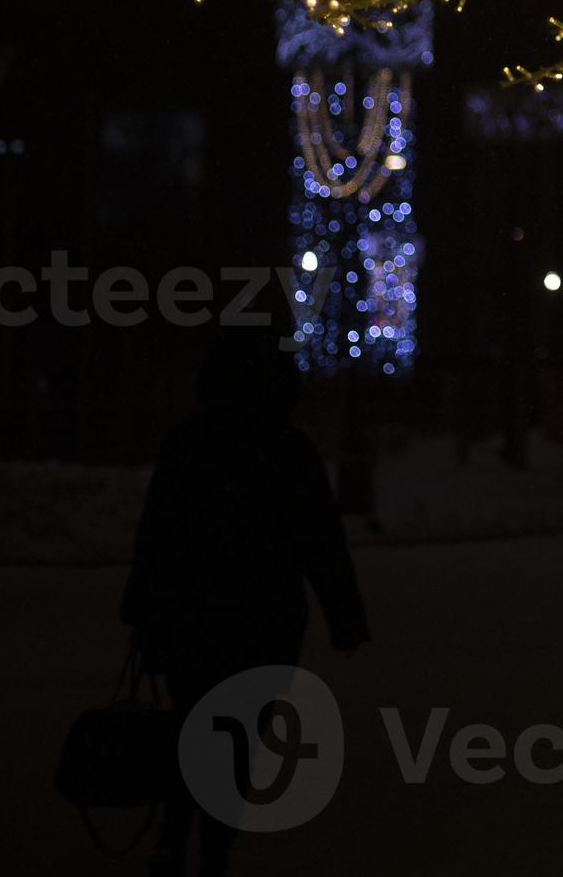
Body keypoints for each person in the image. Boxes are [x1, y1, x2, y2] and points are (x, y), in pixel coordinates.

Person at [124, 326, 370, 876]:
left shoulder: (189, 442)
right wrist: (345, 617)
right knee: (236, 736)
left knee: (190, 722)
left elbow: (156, 531)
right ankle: (214, 847)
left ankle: (173, 834)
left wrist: (140, 607)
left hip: (188, 612)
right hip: (265, 619)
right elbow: (321, 544)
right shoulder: (288, 451)